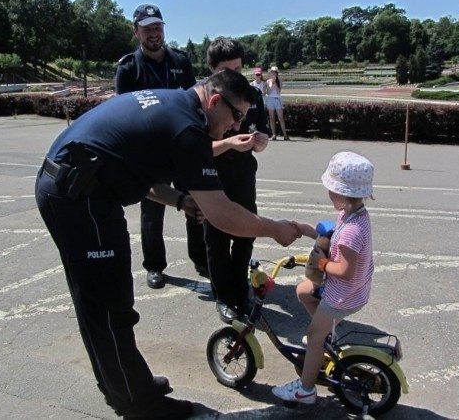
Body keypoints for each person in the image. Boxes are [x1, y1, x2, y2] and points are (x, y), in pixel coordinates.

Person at [35, 69, 302, 419]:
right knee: (108, 306)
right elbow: (222, 214)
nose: (237, 127)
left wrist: (179, 200)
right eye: (236, 115)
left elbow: (137, 169)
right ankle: (139, 405)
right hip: (79, 196)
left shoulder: (176, 103)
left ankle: (125, 385)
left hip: (80, 187)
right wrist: (275, 229)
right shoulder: (188, 129)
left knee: (103, 303)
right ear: (215, 100)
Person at [115, 3, 208, 290]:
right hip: (151, 151)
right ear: (136, 31)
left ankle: (201, 258)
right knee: (153, 212)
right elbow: (124, 114)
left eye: (157, 27)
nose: (154, 33)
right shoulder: (129, 68)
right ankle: (154, 266)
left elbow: (195, 103)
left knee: (196, 204)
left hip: (182, 146)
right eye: (147, 29)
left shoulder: (180, 61)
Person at [272, 151, 375, 405]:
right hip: (348, 290)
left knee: (313, 336)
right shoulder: (353, 214)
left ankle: (305, 390)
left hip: (343, 294)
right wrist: (306, 230)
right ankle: (326, 335)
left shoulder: (352, 230)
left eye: (331, 189)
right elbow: (330, 237)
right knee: (303, 292)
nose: (329, 193)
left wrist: (320, 262)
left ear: (341, 193)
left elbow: (345, 270)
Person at [204, 37, 270, 323]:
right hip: (212, 175)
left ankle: (241, 288)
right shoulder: (204, 98)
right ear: (212, 70)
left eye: (239, 68)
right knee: (216, 237)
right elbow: (197, 149)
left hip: (243, 173)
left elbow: (264, 137)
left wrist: (259, 142)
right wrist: (230, 142)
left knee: (246, 231)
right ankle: (224, 295)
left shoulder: (251, 95)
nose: (235, 75)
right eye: (227, 69)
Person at [264, 66, 289, 141]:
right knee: (272, 118)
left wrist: (275, 83)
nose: (273, 74)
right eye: (272, 73)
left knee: (280, 118)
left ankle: (285, 134)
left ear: (277, 74)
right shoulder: (268, 81)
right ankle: (274, 134)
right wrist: (271, 84)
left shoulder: (280, 81)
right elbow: (268, 92)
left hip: (277, 99)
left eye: (274, 73)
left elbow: (278, 91)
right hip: (270, 100)